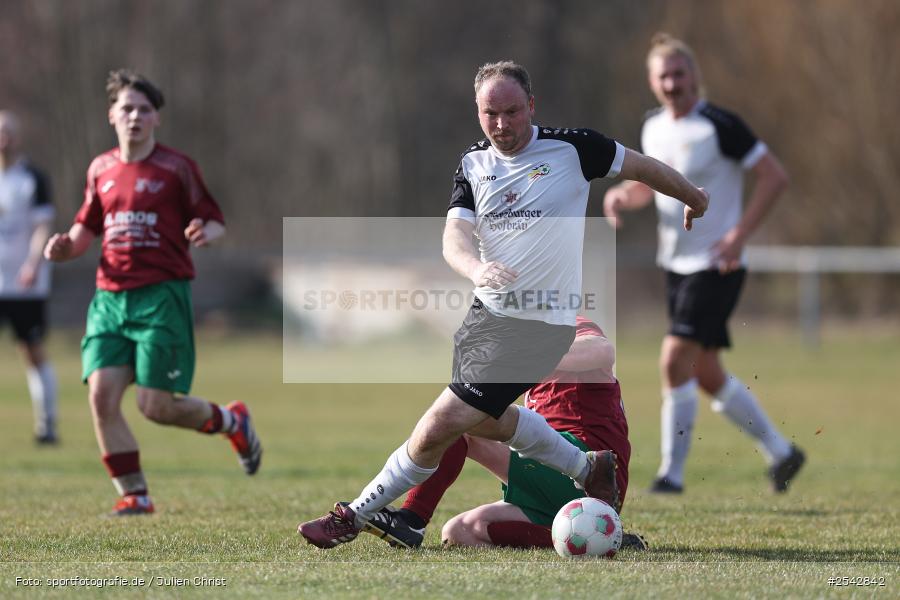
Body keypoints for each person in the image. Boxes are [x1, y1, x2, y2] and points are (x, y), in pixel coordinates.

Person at [298, 60, 708, 549]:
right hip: (484, 320)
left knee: (438, 426)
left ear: (531, 106)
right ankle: (587, 467)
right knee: (478, 420)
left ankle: (354, 514)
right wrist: (476, 269)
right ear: (477, 111)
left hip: (539, 323)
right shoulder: (473, 164)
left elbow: (642, 167)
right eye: (490, 113)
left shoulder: (574, 148)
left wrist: (693, 198)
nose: (501, 124)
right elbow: (454, 236)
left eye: (512, 112)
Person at [43, 69, 262, 516]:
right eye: (127, 108)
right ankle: (135, 494)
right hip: (109, 299)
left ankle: (232, 421)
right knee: (101, 396)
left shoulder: (177, 168)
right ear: (112, 115)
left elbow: (214, 217)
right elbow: (85, 229)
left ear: (156, 119)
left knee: (155, 406)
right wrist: (65, 248)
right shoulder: (100, 168)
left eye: (144, 109)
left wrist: (206, 231)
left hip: (161, 298)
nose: (135, 116)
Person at [603, 34, 805, 494]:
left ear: (694, 75)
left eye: (679, 73)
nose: (673, 83)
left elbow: (775, 177)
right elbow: (655, 185)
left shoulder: (719, 125)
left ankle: (670, 476)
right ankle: (782, 452)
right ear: (652, 82)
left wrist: (738, 236)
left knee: (674, 358)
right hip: (675, 265)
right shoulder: (653, 127)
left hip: (716, 265)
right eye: (663, 76)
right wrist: (621, 195)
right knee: (705, 371)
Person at [359, 317, 647, 551]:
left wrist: (529, 357)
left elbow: (602, 350)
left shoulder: (566, 326)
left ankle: (411, 519)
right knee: (459, 532)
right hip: (554, 482)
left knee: (462, 423)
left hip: (594, 475)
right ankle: (601, 535)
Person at [0, 110, 59, 445]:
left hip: (25, 284)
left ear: (17, 137)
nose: (3, 138)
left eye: (8, 132)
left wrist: (32, 264)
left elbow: (42, 226)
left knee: (32, 350)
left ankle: (46, 424)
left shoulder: (33, 178)